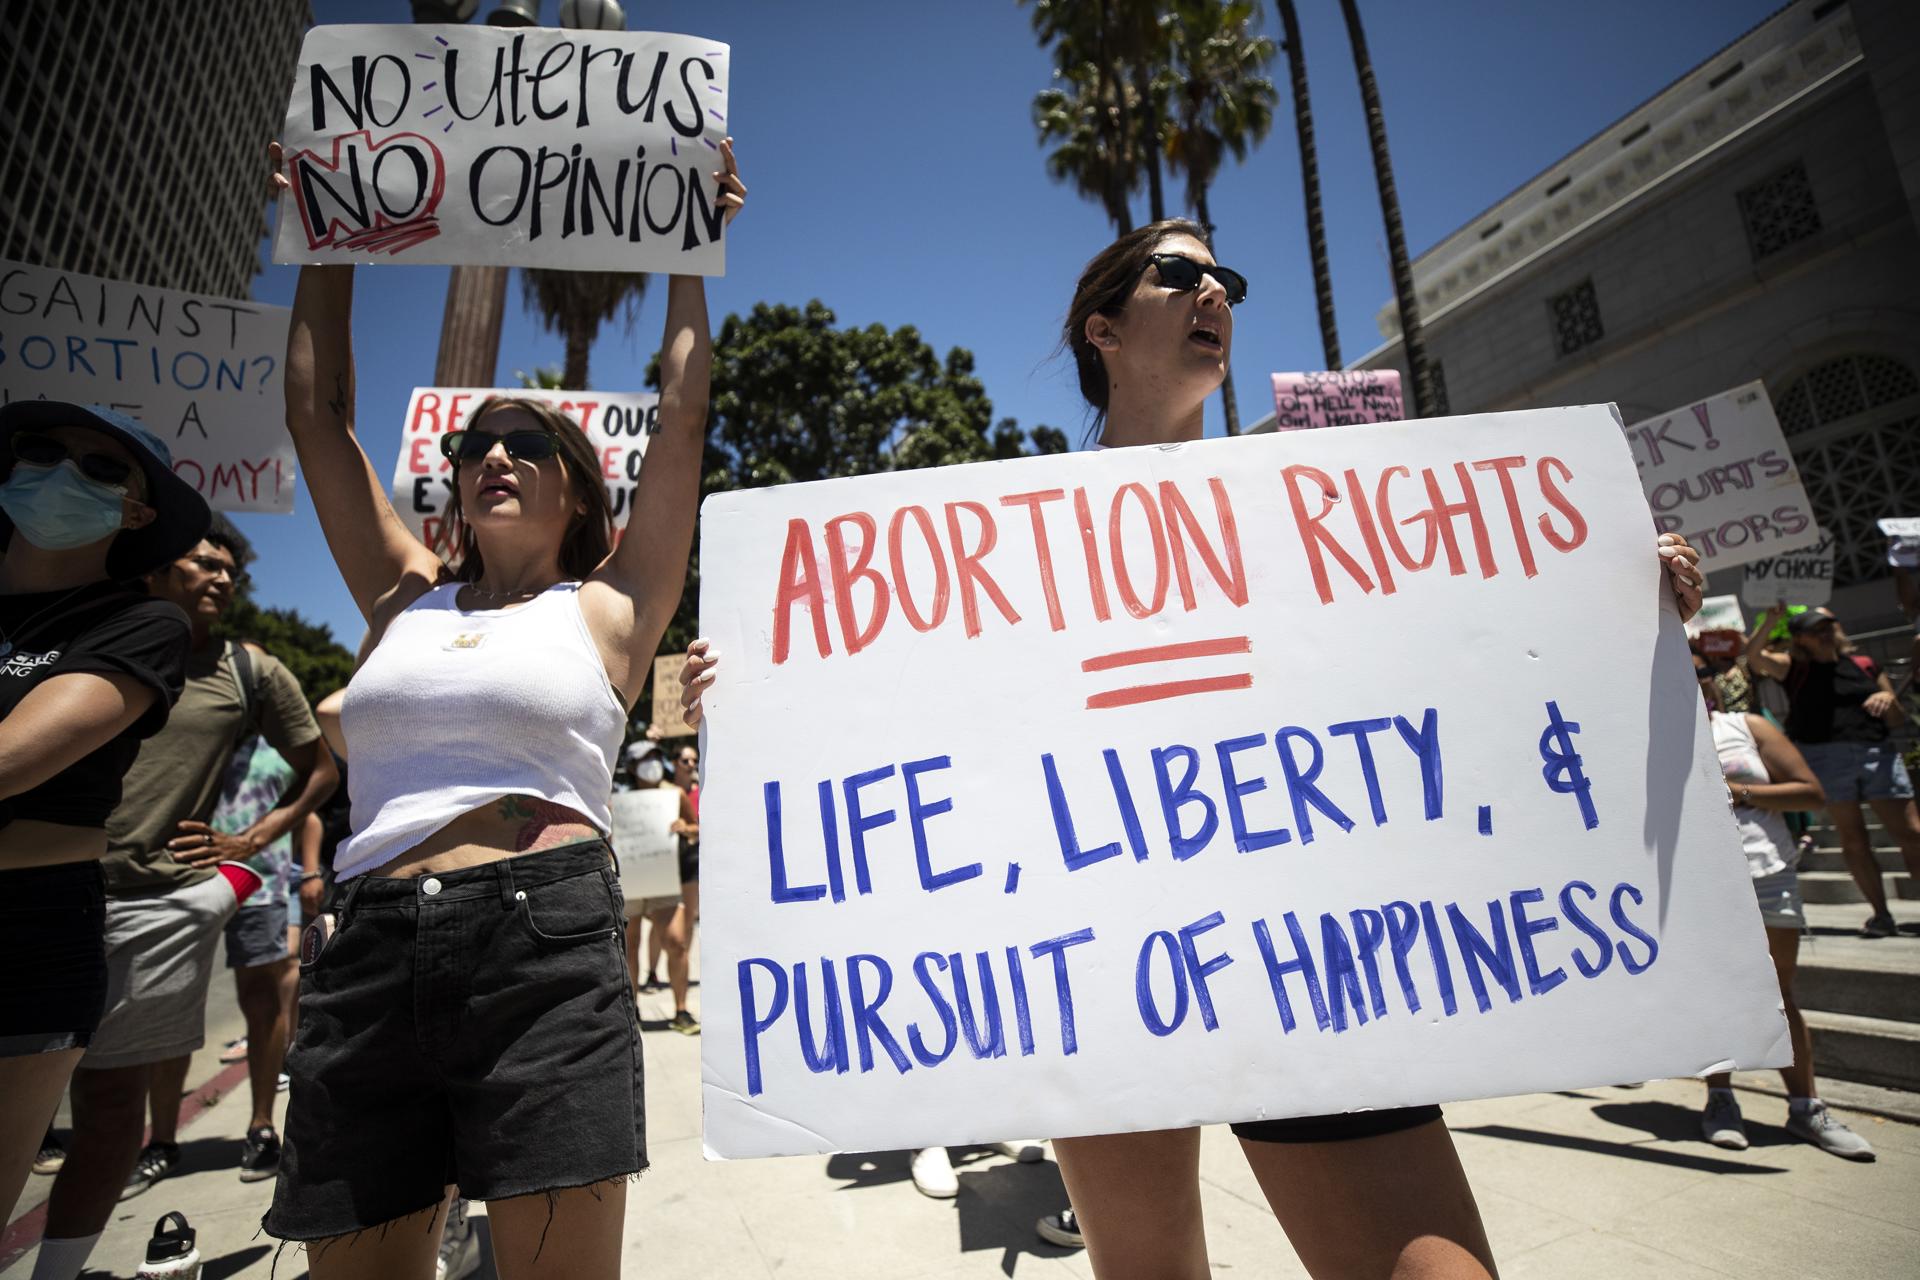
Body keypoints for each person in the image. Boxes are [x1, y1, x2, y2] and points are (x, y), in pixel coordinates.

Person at [678, 220, 1707, 1280]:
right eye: (1181, 274)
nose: (1214, 291)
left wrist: (1616, 608)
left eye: (1228, 280)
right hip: (1103, 972)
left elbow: (1465, 667)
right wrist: (757, 701)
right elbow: (909, 724)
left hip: (1315, 959)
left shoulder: (1311, 518)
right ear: (1104, 327)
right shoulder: (1006, 532)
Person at [258, 137, 744, 1279]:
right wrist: (321, 240)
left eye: (529, 444)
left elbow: (681, 416)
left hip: (543, 947)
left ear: (577, 483)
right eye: (479, 445)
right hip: (370, 947)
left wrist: (693, 250)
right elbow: (318, 417)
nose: (498, 456)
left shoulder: (617, 605)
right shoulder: (403, 591)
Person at [36, 518, 337, 1279]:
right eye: (205, 562)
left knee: (107, 1109)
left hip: (158, 907)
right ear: (152, 567)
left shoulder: (250, 671)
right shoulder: (70, 641)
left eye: (232, 569)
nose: (224, 578)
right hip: (36, 889)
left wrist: (250, 846)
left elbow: (320, 770)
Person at [0, 402, 207, 1234]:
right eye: (43, 453)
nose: (60, 475)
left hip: (27, 928)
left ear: (136, 511)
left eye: (98, 470)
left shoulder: (142, 625)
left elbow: (14, 760)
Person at [1691, 650, 1873, 1160]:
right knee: (1714, 993)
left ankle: (1805, 1107)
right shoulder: (1648, 736)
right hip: (1697, 884)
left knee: (1779, 992)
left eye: (1701, 672)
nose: (1697, 682)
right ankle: (1721, 1099)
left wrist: (1742, 792)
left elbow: (1811, 792)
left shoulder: (1745, 726)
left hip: (1766, 873)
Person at [1747, 605, 1920, 937]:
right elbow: (1754, 657)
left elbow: (1897, 718)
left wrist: (1886, 698)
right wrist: (1771, 620)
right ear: (1801, 639)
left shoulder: (1864, 664)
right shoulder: (1794, 668)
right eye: (1816, 629)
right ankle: (1881, 915)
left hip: (1877, 753)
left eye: (1829, 626)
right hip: (1824, 757)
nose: (1826, 633)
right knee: (1854, 838)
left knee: (1911, 833)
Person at [618, 739, 696, 1019]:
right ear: (632, 766)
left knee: (676, 941)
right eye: (644, 759)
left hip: (664, 880)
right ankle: (632, 1008)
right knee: (630, 944)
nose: (651, 764)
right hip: (631, 883)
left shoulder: (675, 795)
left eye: (655, 757)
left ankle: (682, 1009)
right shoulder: (619, 800)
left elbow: (697, 828)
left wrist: (685, 827)